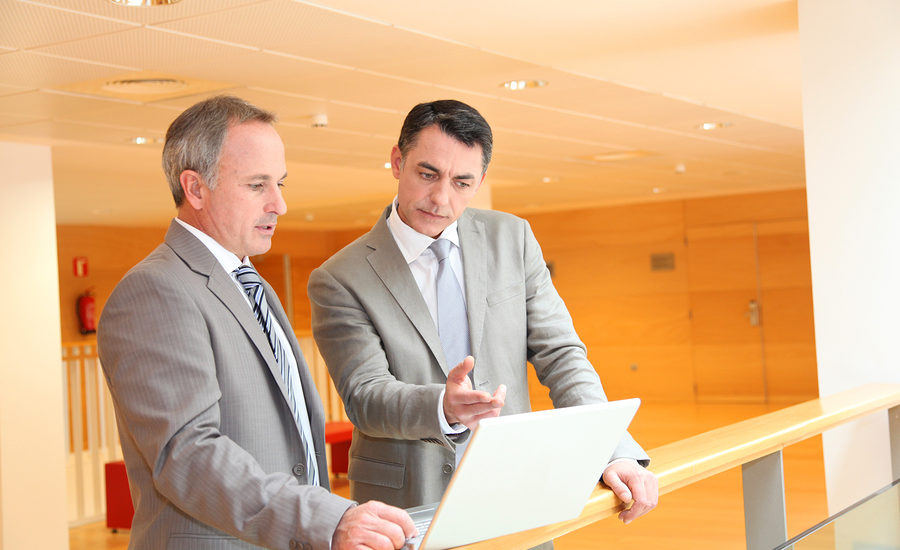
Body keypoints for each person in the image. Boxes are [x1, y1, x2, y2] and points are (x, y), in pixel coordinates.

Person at [307, 99, 659, 538]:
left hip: (517, 489)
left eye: (462, 182)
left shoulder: (512, 238)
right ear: (398, 161)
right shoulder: (340, 277)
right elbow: (366, 396)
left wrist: (611, 450)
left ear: (482, 181)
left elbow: (561, 353)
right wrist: (442, 406)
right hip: (405, 502)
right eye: (427, 174)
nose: (441, 198)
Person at [98, 95, 416, 550]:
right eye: (257, 185)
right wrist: (326, 519)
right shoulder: (155, 291)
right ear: (196, 189)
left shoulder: (252, 285)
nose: (279, 205)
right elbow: (188, 454)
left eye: (280, 183)